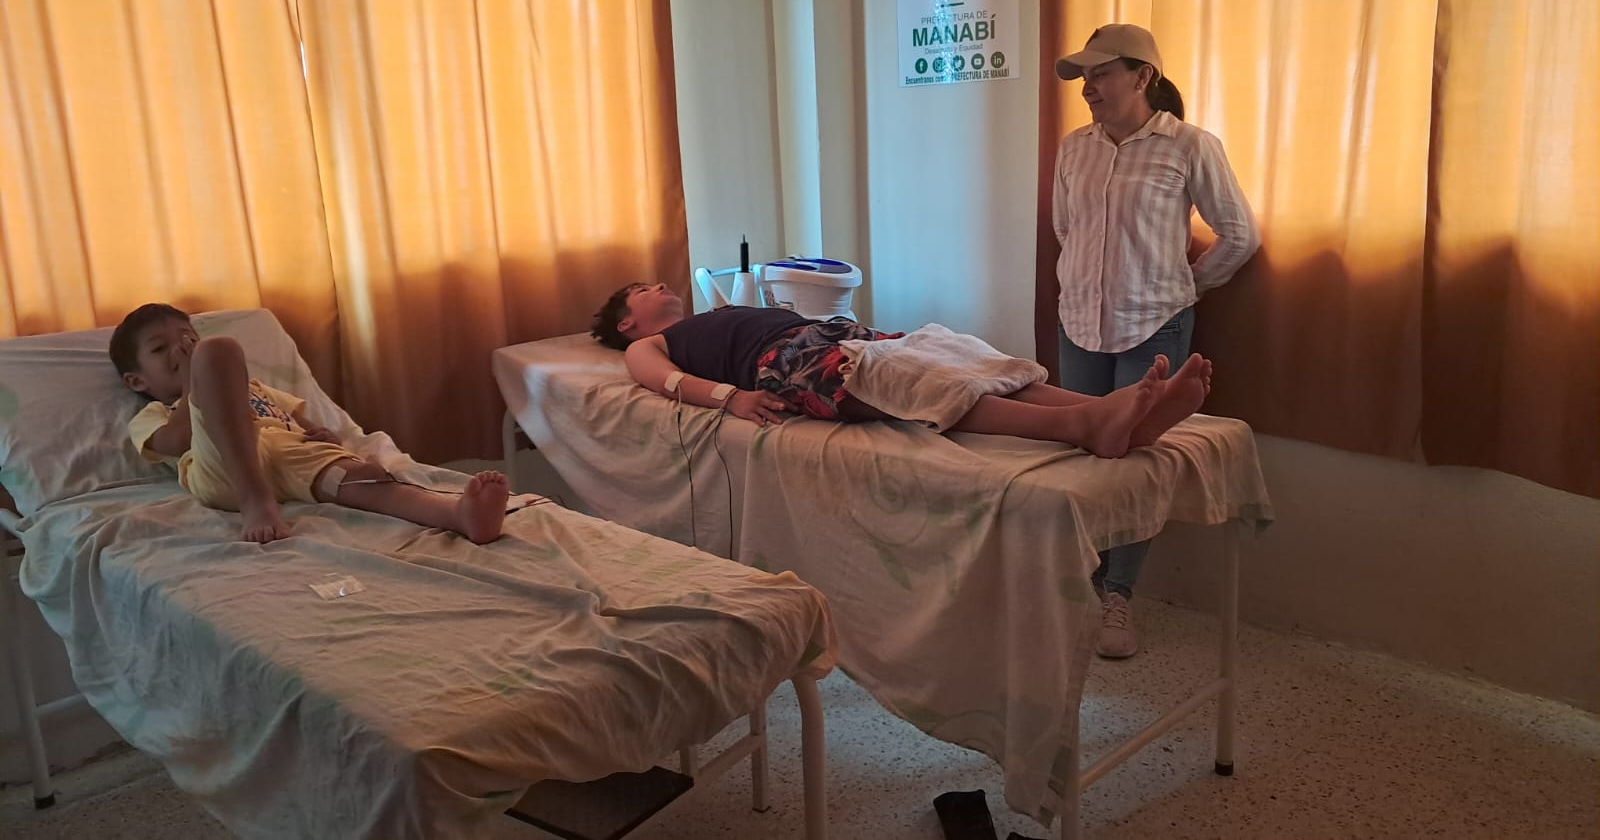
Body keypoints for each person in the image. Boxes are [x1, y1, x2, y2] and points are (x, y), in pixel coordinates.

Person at [1051, 23, 1262, 658]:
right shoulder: (1074, 148)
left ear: (1143, 76)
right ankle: (1082, 585)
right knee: (1081, 451)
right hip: (1080, 322)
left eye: (1101, 73)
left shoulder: (1189, 145)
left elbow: (1239, 234)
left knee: (1135, 460)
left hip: (1154, 325)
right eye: (1084, 76)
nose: (1088, 87)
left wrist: (1185, 286)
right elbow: (1067, 228)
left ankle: (1119, 596)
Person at [590, 282, 1213, 460]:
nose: (661, 286)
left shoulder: (715, 311)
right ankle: (1081, 427)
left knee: (960, 359)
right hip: (792, 365)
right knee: (918, 386)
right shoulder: (652, 343)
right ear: (627, 321)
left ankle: (1114, 414)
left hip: (839, 337)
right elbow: (657, 378)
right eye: (645, 288)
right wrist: (730, 399)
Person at [111, 303, 509, 545]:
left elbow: (297, 424)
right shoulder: (154, 414)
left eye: (187, 338)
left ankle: (457, 514)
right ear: (136, 381)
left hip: (291, 454)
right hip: (225, 467)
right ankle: (255, 500)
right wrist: (195, 380)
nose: (182, 348)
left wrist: (321, 436)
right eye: (161, 348)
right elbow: (179, 441)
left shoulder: (253, 388)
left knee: (364, 480)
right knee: (219, 350)